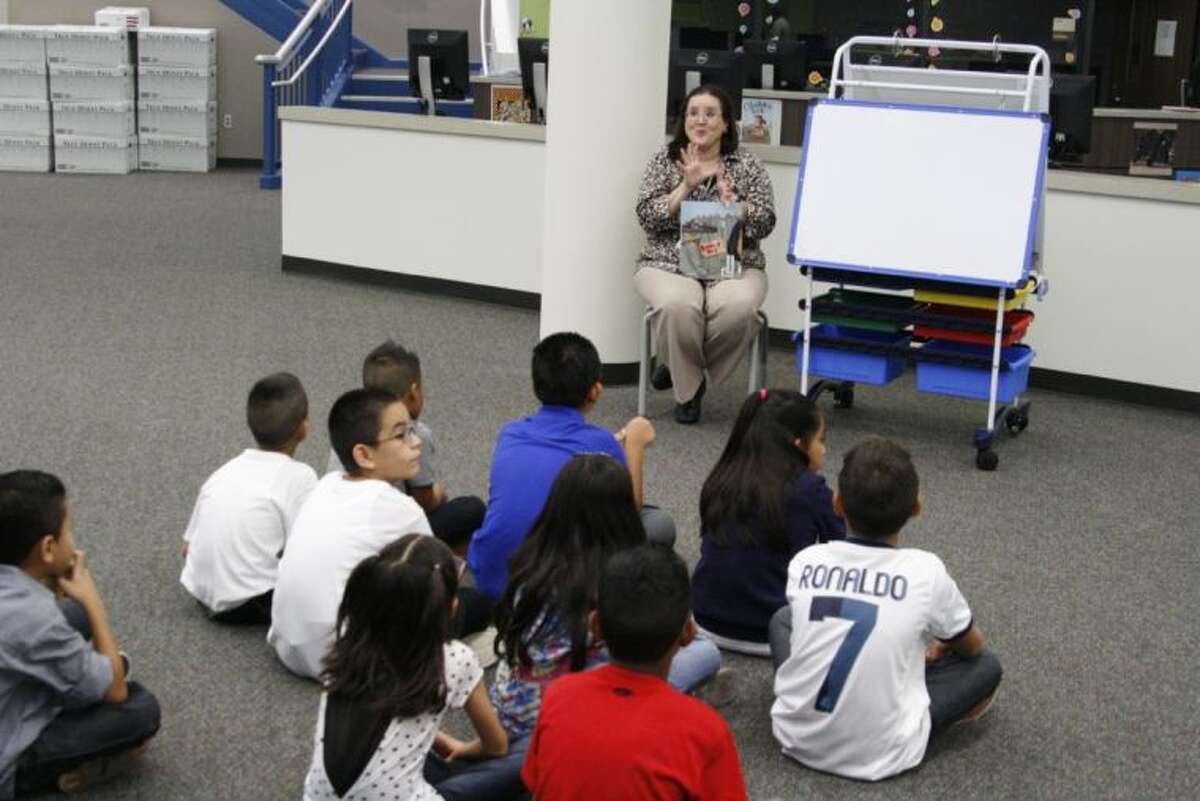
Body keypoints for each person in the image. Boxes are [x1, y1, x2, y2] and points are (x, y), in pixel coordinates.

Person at [770, 439, 1003, 781]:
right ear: (917, 507)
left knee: (783, 619)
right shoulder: (926, 570)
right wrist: (943, 643)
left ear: (837, 503)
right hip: (883, 754)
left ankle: (809, 695)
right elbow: (973, 646)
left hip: (795, 736)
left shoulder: (806, 561)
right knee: (986, 666)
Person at [490, 454, 722, 743]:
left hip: (510, 707)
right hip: (571, 717)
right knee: (704, 650)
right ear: (624, 512)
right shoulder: (617, 579)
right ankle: (666, 705)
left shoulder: (533, 558)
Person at [269, 388, 487, 680]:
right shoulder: (398, 508)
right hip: (348, 663)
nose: (416, 442)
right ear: (364, 454)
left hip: (289, 646)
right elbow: (439, 593)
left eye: (412, 430)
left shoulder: (326, 484)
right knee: (483, 602)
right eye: (401, 435)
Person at [521, 544, 748, 801]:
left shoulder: (557, 696)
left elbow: (534, 783)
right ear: (688, 633)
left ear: (595, 626)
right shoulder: (706, 733)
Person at [302, 535, 521, 801]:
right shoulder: (454, 658)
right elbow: (495, 747)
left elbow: (384, 719)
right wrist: (462, 747)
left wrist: (436, 739)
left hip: (319, 796)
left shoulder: (350, 637)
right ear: (450, 605)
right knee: (524, 752)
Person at [466, 332, 674, 600]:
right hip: (556, 591)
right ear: (595, 390)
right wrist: (634, 444)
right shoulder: (600, 443)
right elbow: (630, 512)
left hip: (491, 580)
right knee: (658, 523)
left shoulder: (510, 433)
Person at [0, 470, 160, 798]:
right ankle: (52, 777)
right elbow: (115, 691)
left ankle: (78, 670)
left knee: (72, 617)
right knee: (141, 709)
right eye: (68, 531)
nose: (73, 540)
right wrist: (91, 597)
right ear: (47, 547)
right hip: (8, 751)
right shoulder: (35, 620)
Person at [635, 83, 777, 424]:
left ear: (726, 123)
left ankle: (679, 364)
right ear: (683, 120)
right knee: (677, 307)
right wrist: (686, 187)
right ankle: (689, 391)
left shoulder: (748, 165)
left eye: (711, 114)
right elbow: (646, 217)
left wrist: (738, 208)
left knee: (740, 310)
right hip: (668, 262)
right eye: (693, 113)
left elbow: (766, 222)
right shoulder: (665, 161)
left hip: (735, 263)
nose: (700, 120)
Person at [692, 389, 844, 655]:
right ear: (798, 444)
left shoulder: (724, 475)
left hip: (706, 622)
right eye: (821, 440)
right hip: (774, 631)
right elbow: (844, 549)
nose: (825, 449)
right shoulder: (810, 489)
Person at [180, 372, 318, 625]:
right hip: (249, 602)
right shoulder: (301, 476)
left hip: (199, 590)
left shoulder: (224, 471)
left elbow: (186, 547)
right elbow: (309, 548)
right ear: (304, 428)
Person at [325, 340, 485, 555]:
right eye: (401, 435)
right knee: (471, 508)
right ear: (414, 392)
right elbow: (424, 501)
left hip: (343, 523)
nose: (411, 440)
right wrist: (438, 493)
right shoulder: (417, 434)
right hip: (389, 533)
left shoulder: (350, 424)